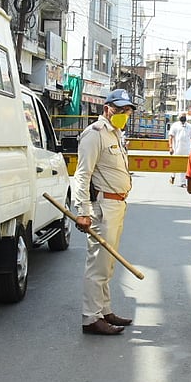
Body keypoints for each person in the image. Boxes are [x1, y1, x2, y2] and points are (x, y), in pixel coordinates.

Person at [74, 89, 137, 336]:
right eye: (119, 110)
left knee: (108, 264)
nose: (123, 114)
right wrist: (83, 210)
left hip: (118, 205)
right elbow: (83, 174)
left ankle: (105, 310)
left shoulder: (116, 134)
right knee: (98, 265)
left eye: (126, 111)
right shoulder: (95, 134)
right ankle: (91, 318)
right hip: (103, 207)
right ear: (106, 109)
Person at [167, 114, 191, 184]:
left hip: (187, 150)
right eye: (181, 116)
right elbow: (170, 137)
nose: (183, 118)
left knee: (185, 166)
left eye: (184, 116)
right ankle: (172, 176)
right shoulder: (175, 125)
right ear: (179, 117)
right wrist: (170, 147)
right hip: (177, 149)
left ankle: (183, 182)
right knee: (175, 164)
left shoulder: (189, 126)